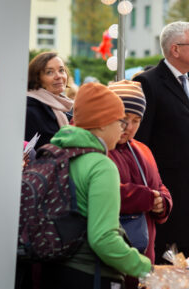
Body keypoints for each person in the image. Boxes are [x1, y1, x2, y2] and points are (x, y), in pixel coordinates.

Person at [41, 83, 152, 289]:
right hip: (89, 275)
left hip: (51, 272)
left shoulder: (56, 152)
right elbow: (103, 239)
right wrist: (147, 268)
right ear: (101, 124)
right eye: (120, 121)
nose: (123, 128)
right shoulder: (101, 165)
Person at [133, 21, 189, 262]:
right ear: (175, 49)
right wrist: (151, 191)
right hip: (166, 192)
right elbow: (141, 143)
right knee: (168, 261)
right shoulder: (148, 82)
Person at [107, 80, 172, 289]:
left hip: (145, 258)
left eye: (137, 120)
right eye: (124, 119)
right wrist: (145, 198)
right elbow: (104, 192)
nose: (130, 127)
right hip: (112, 262)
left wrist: (163, 203)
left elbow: (160, 187)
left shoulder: (143, 150)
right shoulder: (100, 149)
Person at [25, 52, 73, 149]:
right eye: (49, 72)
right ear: (37, 79)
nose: (58, 76)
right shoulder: (30, 110)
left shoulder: (65, 107)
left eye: (61, 70)